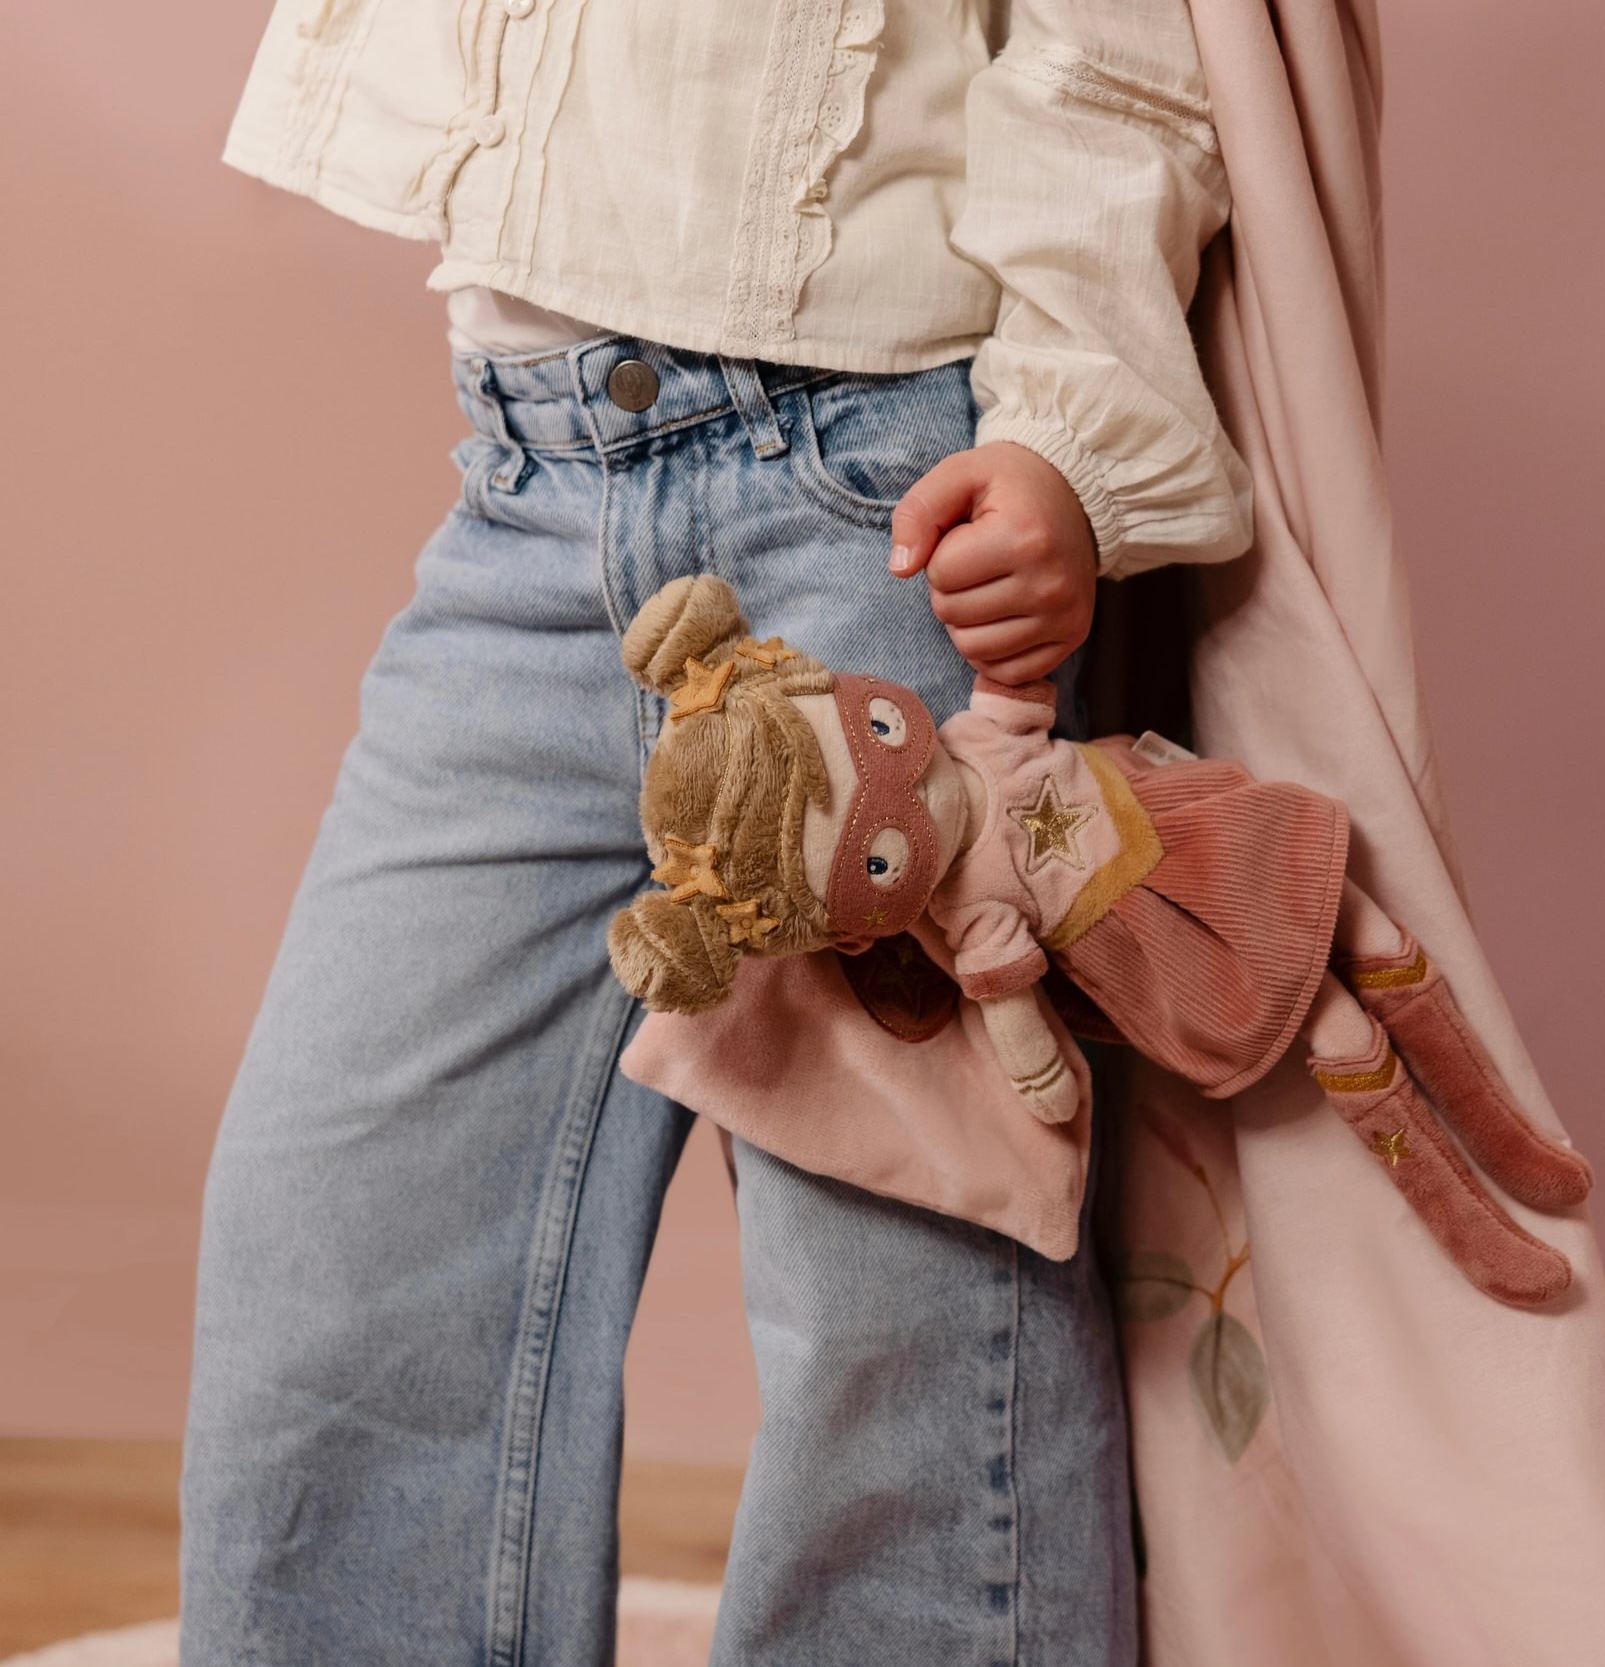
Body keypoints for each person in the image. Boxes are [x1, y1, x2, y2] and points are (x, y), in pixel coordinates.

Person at [181, 1, 1253, 1661]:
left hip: (877, 504)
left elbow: (1113, 50)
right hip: (527, 491)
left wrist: (1065, 430)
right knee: (345, 1223)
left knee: (903, 1273)